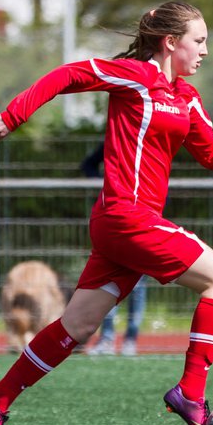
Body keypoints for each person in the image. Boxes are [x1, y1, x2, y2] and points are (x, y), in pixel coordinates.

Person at [0, 0, 213, 425]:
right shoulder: (135, 77)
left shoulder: (188, 98)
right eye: (199, 42)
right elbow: (68, 75)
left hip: (126, 226)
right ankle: (190, 393)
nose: (205, 52)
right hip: (126, 217)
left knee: (78, 325)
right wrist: (16, 114)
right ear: (171, 42)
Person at [80, 140, 147, 356]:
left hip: (143, 220)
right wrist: (105, 186)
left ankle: (130, 339)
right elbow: (88, 164)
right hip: (114, 221)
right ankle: (107, 338)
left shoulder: (148, 144)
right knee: (110, 281)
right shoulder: (114, 142)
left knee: (137, 283)